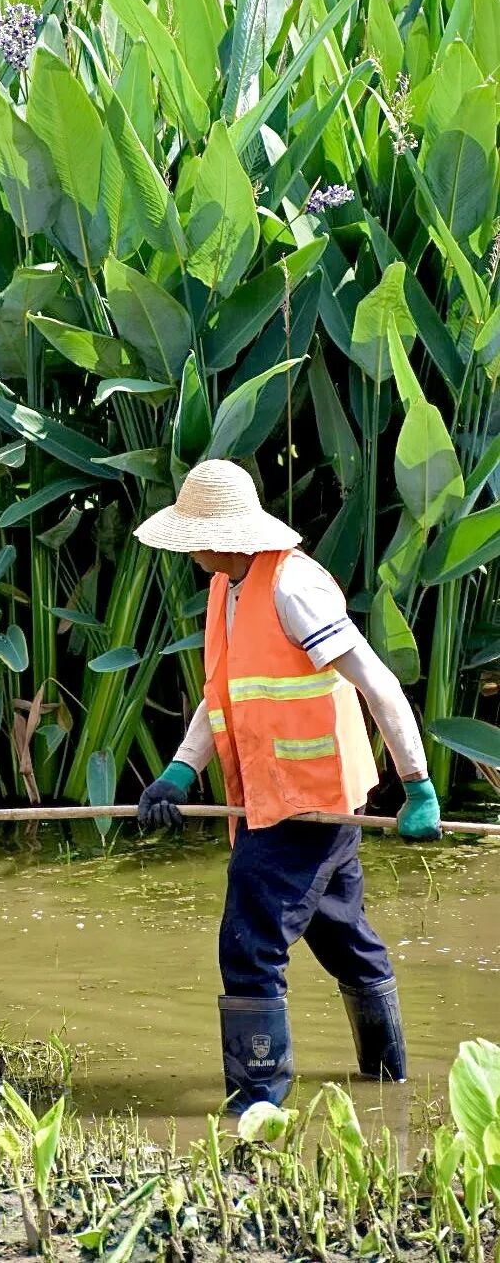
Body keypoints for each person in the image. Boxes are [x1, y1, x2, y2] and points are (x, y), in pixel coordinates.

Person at [133, 459, 441, 1114]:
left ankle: (257, 1103)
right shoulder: (228, 588)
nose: (189, 553)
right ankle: (389, 1080)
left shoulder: (293, 587)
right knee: (342, 935)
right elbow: (221, 696)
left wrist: (417, 787)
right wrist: (178, 773)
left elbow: (378, 682)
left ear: (229, 535)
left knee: (248, 946)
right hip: (273, 796)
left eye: (195, 539)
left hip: (307, 805)